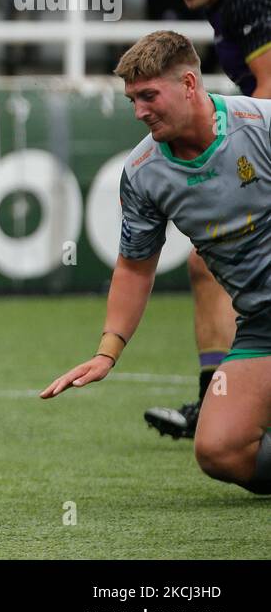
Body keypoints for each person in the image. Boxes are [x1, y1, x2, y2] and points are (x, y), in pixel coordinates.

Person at [42, 30, 271, 496]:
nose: (139, 111)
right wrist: (108, 351)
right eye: (132, 100)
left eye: (149, 96)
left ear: (189, 84)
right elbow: (135, 266)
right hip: (261, 324)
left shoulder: (261, 125)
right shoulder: (144, 172)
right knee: (219, 449)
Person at [137, 0, 271, 440]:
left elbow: (268, 100)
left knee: (212, 259)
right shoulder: (229, 2)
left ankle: (217, 401)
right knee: (207, 263)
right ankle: (214, 397)